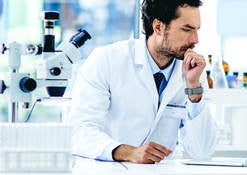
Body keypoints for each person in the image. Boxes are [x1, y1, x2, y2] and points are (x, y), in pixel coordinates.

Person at [69, 0, 217, 164]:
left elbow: (202, 151)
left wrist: (194, 91)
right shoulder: (106, 60)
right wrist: (128, 152)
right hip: (112, 170)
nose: (196, 40)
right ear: (158, 27)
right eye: (187, 29)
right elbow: (79, 132)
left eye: (197, 30)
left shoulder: (192, 71)